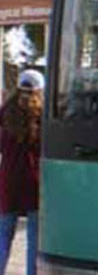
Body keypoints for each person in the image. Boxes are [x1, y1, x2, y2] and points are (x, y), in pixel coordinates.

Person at [0, 69, 45, 275]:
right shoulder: (43, 116)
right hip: (34, 182)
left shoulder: (5, 113)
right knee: (34, 239)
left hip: (8, 181)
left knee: (3, 236)